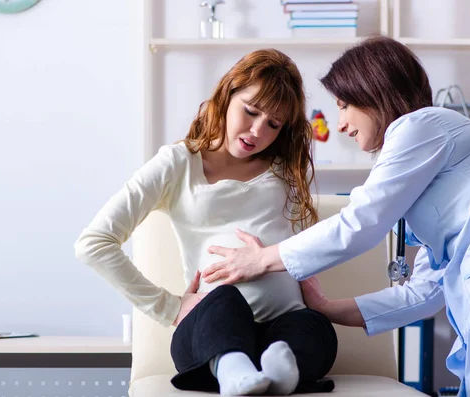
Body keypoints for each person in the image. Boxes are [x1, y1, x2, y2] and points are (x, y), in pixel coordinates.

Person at [202, 36, 470, 397]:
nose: (340, 125)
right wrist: (326, 308)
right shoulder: (426, 156)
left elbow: (360, 224)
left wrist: (263, 258)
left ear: (371, 92)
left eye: (343, 105)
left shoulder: (421, 126)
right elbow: (424, 293)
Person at [74, 49, 337, 396]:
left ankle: (281, 373)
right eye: (251, 111)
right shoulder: (177, 163)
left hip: (284, 323)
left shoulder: (285, 169)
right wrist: (169, 306)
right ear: (227, 94)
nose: (257, 130)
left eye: (273, 124)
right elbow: (93, 243)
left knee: (314, 327)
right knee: (226, 301)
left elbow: (299, 240)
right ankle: (233, 368)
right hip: (210, 326)